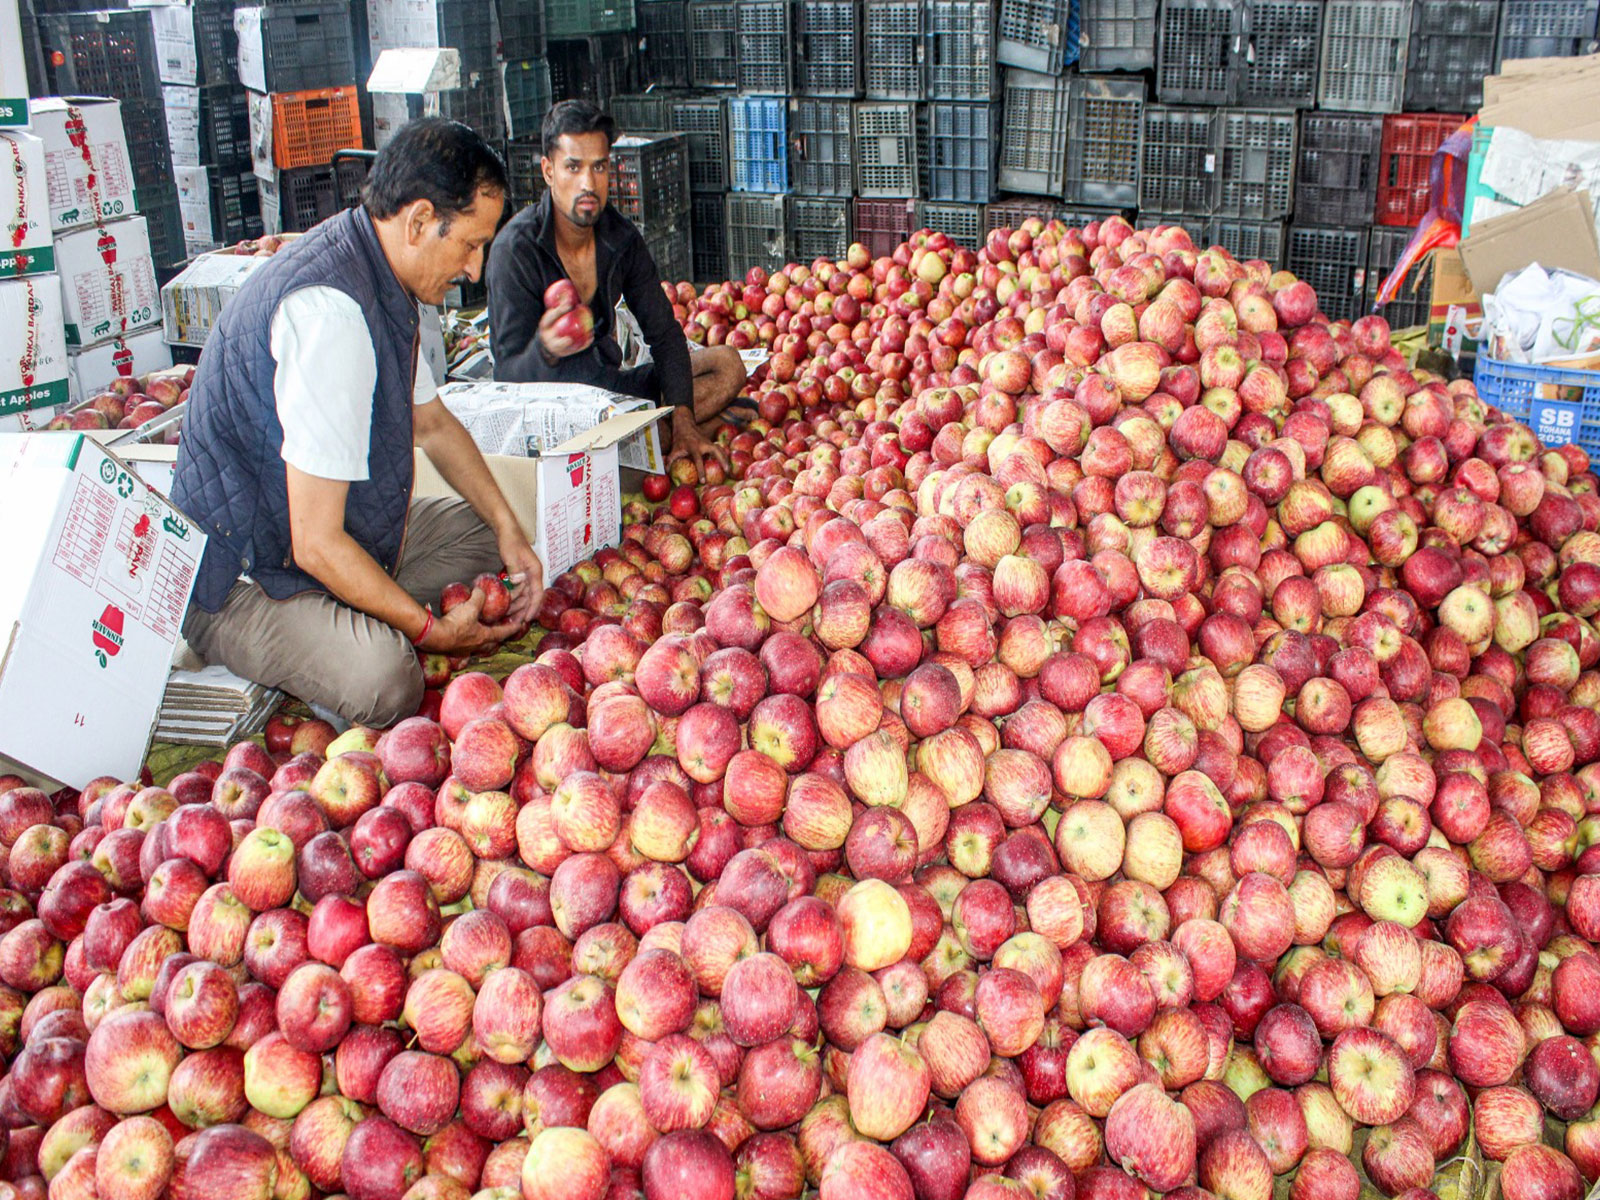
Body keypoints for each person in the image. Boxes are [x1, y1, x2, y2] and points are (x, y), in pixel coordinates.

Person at [171, 118, 544, 729]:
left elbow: (433, 425)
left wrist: (508, 530)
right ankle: (303, 640)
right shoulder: (332, 316)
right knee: (388, 679)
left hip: (324, 529)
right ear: (419, 222)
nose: (475, 271)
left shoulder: (384, 275)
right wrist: (431, 631)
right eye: (470, 245)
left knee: (496, 534)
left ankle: (348, 613)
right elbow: (314, 542)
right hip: (242, 573)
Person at [484, 100, 746, 476]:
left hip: (611, 393)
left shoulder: (620, 238)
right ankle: (662, 440)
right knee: (646, 432)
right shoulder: (515, 250)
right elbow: (505, 381)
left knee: (727, 364)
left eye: (599, 167)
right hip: (555, 414)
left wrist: (685, 417)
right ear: (548, 170)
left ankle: (671, 436)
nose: (588, 183)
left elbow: (665, 335)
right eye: (573, 167)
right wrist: (546, 349)